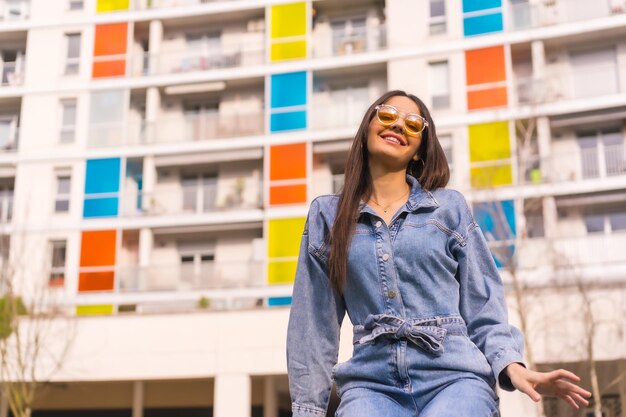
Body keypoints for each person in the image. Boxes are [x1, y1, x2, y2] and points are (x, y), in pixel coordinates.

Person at [286, 90, 592, 417]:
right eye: (387, 115)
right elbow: (313, 326)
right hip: (371, 384)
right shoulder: (327, 216)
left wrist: (512, 366)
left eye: (413, 124)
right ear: (367, 129)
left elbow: (483, 304)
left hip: (454, 375)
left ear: (420, 150)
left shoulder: (448, 208)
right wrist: (309, 410)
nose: (399, 125)